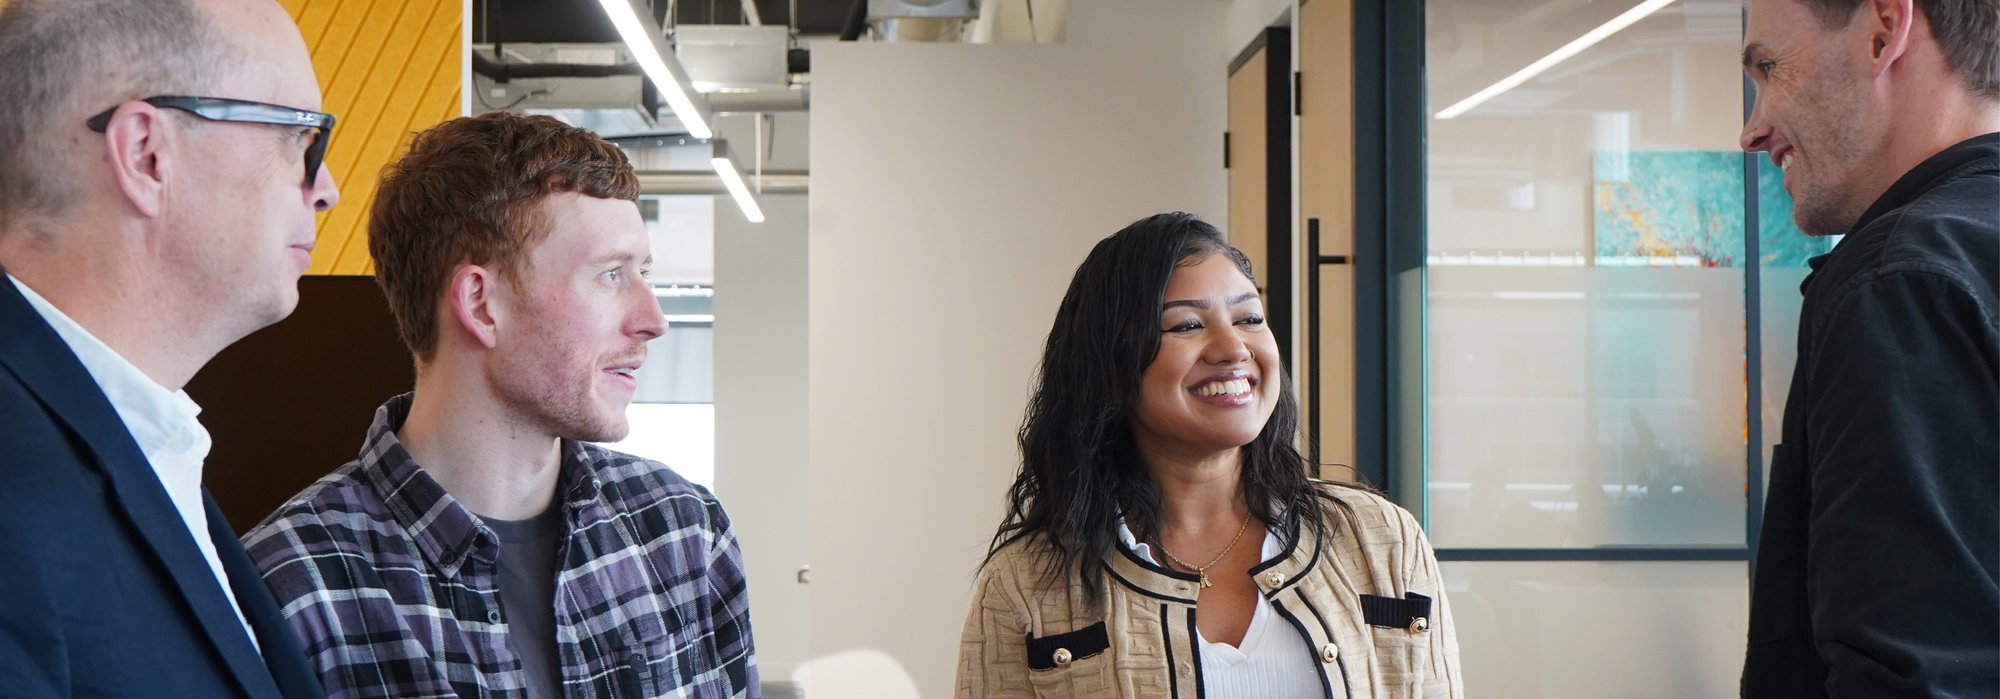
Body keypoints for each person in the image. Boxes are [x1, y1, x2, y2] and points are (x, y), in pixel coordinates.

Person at [240, 111, 758, 698]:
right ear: (482, 305)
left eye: (643, 272)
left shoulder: (682, 534)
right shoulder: (291, 588)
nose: (654, 320)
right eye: (612, 275)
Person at [955, 213, 1462, 698]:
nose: (1232, 348)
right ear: (1110, 364)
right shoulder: (1025, 583)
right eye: (1186, 326)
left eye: (1249, 318)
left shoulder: (1380, 539)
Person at [0, 0, 340, 694]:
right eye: (301, 140)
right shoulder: (16, 488)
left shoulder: (140, 438)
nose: (325, 190)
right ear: (147, 155)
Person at [1737, 0, 1999, 695]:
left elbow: (1916, 674)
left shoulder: (1901, 282)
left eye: (1770, 67)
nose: (1752, 129)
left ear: (1884, 30)